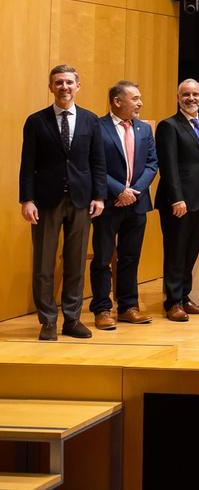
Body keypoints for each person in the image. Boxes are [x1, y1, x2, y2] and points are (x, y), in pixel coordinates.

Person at [20, 65, 106, 340]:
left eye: (69, 82)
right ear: (51, 87)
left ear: (78, 86)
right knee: (44, 263)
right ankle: (47, 321)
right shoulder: (36, 121)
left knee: (76, 262)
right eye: (59, 83)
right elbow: (27, 164)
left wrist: (99, 196)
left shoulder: (91, 121)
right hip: (45, 201)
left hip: (81, 199)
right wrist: (27, 200)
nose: (64, 87)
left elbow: (98, 163)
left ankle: (72, 319)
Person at [91, 80, 158, 329]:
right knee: (103, 258)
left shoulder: (143, 129)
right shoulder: (98, 127)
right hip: (108, 203)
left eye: (140, 98)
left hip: (137, 203)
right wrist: (120, 190)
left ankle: (128, 307)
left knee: (131, 257)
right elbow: (94, 165)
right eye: (135, 98)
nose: (140, 102)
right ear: (117, 101)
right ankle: (102, 309)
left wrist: (135, 191)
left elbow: (152, 163)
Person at [155, 79, 199, 322]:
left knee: (190, 252)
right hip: (177, 202)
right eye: (186, 94)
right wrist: (177, 198)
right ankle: (172, 302)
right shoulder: (169, 126)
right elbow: (168, 166)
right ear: (178, 98)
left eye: (195, 94)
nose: (191, 98)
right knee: (175, 251)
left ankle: (184, 297)